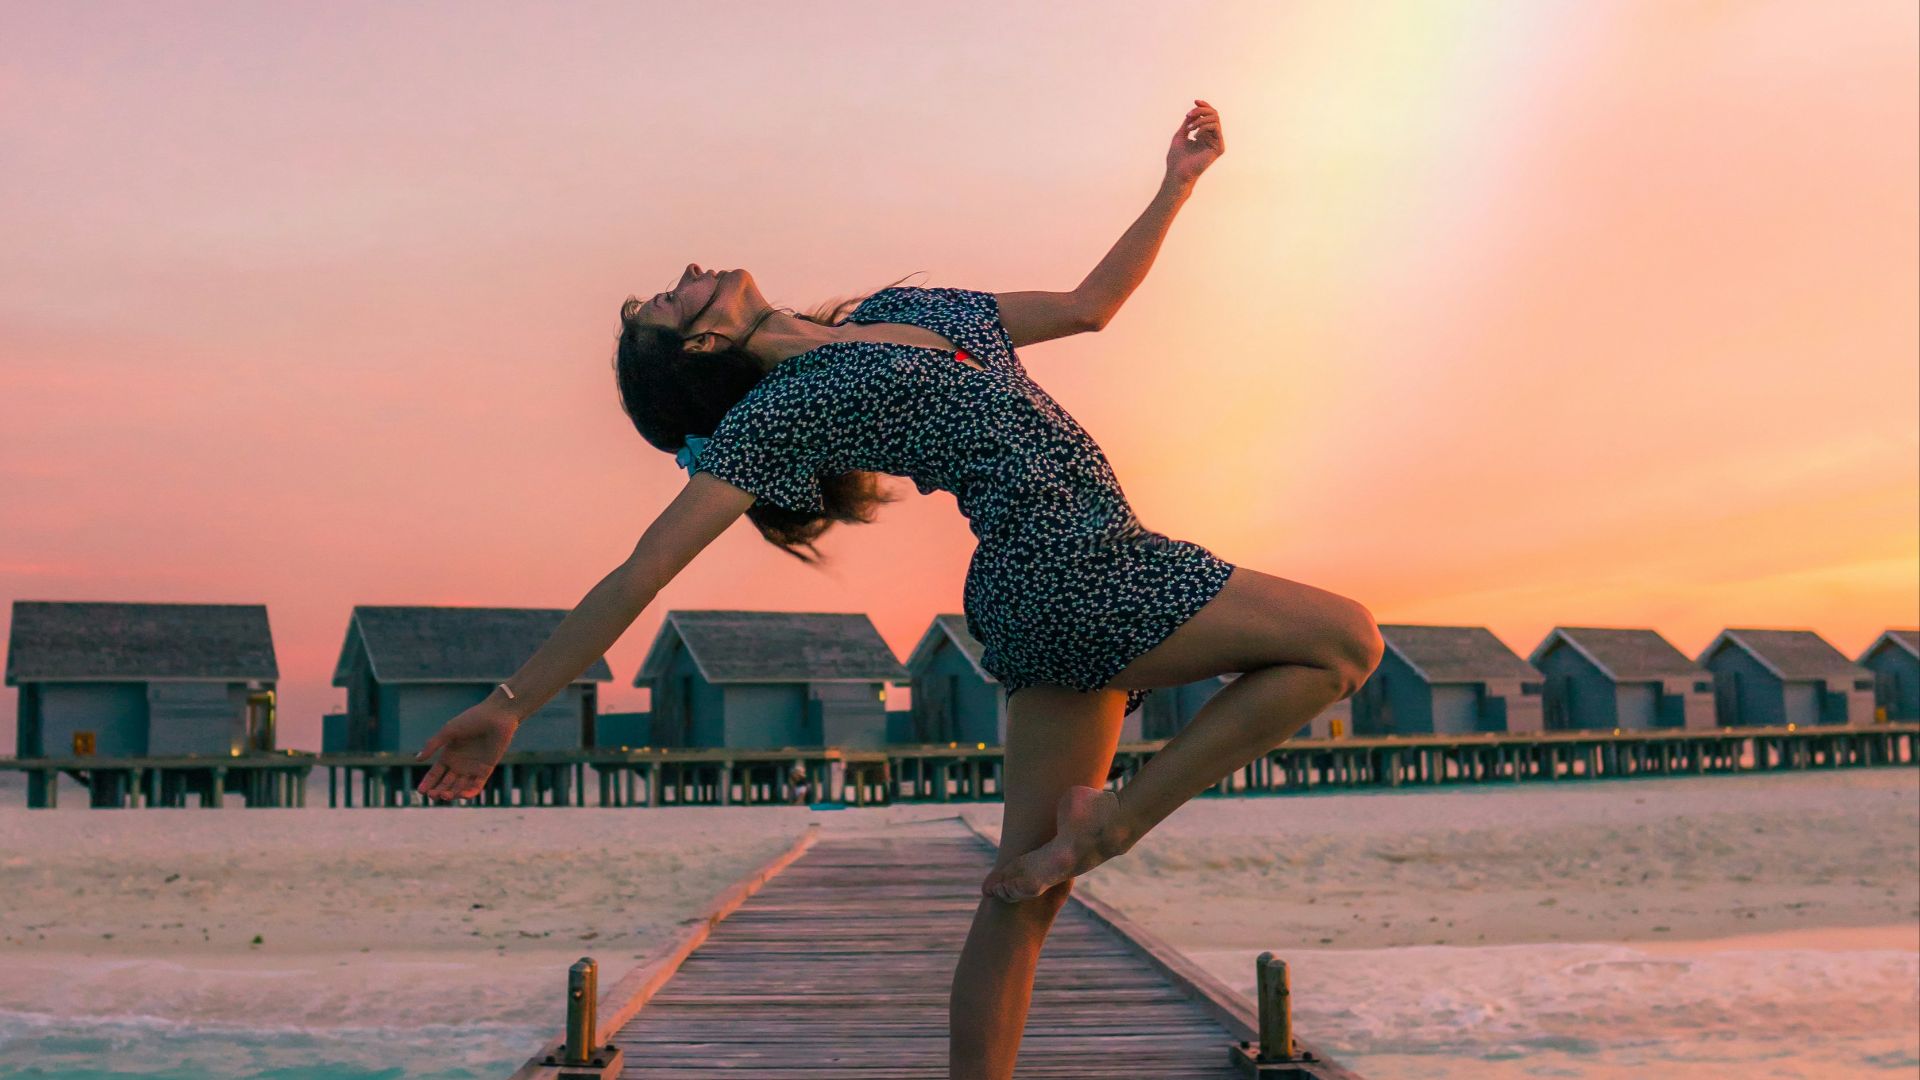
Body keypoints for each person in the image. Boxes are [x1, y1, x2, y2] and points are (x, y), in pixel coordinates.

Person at [414, 99, 1383, 1080]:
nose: (689, 272)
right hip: (1075, 563)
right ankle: (1118, 819)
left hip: (1030, 592)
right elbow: (643, 572)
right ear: (701, 349)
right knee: (1344, 642)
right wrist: (508, 706)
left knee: (1019, 902)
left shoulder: (917, 312)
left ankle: (1076, 868)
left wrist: (1176, 185)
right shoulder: (777, 416)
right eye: (673, 299)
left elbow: (1092, 305)